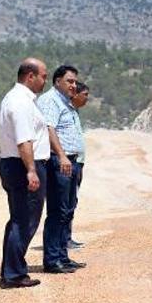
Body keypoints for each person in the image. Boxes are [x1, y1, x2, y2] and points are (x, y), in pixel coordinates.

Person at [0, 58, 50, 289]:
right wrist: (31, 170)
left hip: (18, 165)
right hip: (22, 166)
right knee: (25, 220)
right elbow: (24, 140)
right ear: (30, 76)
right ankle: (14, 274)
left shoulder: (20, 99)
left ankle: (11, 270)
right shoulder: (20, 101)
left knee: (20, 220)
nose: (44, 80)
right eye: (43, 76)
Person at [37, 65, 86, 273]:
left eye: (75, 81)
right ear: (57, 81)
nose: (73, 85)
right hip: (60, 161)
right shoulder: (50, 100)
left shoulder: (65, 102)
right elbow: (49, 128)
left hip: (70, 161)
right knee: (57, 211)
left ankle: (62, 257)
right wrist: (63, 156)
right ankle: (52, 260)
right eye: (69, 81)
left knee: (66, 211)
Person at [66, 81, 89, 249]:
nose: (87, 98)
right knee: (66, 202)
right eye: (85, 94)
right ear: (75, 94)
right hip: (70, 163)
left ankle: (67, 236)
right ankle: (64, 239)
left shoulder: (74, 112)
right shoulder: (67, 111)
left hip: (78, 163)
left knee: (72, 201)